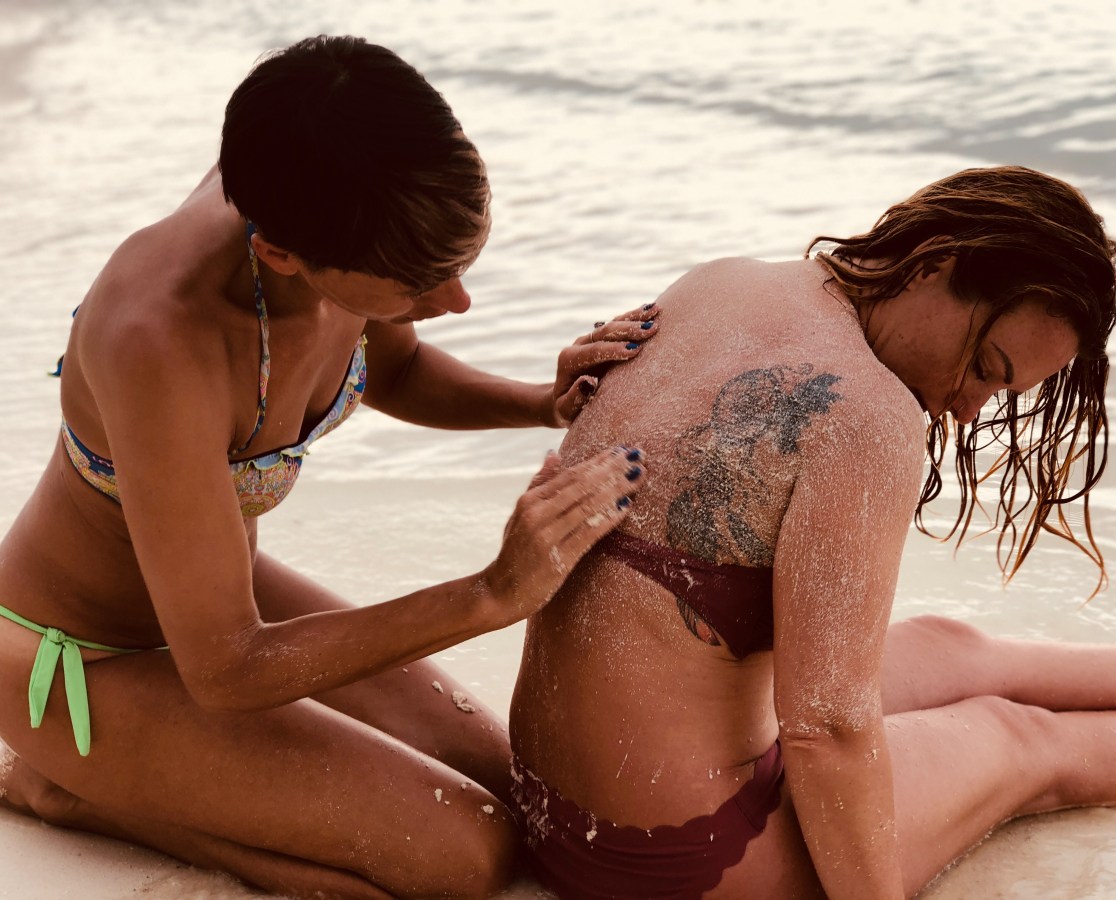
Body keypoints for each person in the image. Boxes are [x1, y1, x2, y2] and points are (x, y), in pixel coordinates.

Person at [0, 35, 656, 899]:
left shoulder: (335, 196)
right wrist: (492, 592)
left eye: (462, 260)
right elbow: (228, 669)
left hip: (214, 603)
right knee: (469, 857)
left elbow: (400, 370)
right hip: (84, 659)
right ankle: (62, 786)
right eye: (420, 282)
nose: (456, 301)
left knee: (517, 782)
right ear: (278, 255)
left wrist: (540, 399)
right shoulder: (157, 340)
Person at [509, 166, 1116, 899]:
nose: (970, 410)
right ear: (936, 263)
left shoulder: (719, 282)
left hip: (548, 806)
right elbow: (826, 730)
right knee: (1017, 738)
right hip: (676, 857)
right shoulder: (867, 415)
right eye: (985, 369)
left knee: (948, 646)